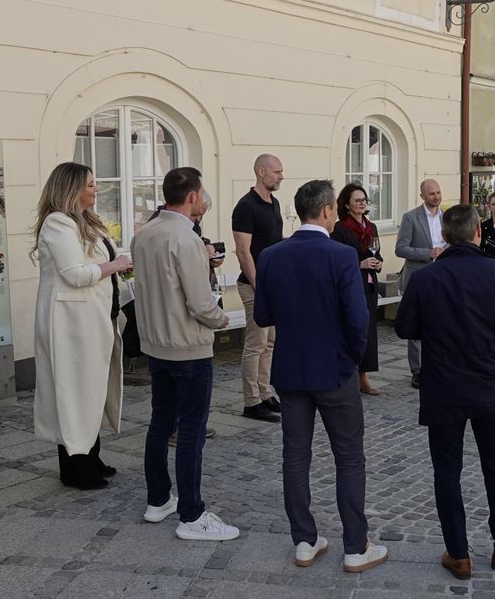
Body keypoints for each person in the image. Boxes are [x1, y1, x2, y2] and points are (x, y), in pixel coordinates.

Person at [254, 180, 388, 573]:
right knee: (348, 457)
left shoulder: (272, 256)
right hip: (334, 370)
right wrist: (350, 359)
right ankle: (355, 545)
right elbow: (358, 318)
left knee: (295, 456)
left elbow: (263, 316)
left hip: (292, 370)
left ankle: (304, 540)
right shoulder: (342, 255)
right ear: (329, 210)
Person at [394, 204, 495, 580]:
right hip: (491, 387)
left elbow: (404, 327)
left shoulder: (426, 280)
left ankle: (459, 553)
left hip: (444, 388)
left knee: (447, 472)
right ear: (476, 234)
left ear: (445, 238)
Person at [131, 167, 238, 540]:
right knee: (191, 430)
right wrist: (222, 319)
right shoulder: (186, 238)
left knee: (160, 423)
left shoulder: (144, 235)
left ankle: (158, 499)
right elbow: (199, 302)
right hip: (188, 348)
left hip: (155, 344)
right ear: (192, 196)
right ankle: (192, 515)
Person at [32, 162, 128, 491]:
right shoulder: (58, 223)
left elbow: (101, 265)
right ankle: (76, 467)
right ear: (71, 189)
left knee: (91, 389)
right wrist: (114, 265)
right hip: (70, 323)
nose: (95, 189)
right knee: (75, 391)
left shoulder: (85, 222)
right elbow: (74, 274)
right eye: (89, 184)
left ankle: (89, 455)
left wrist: (119, 267)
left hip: (94, 318)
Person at [232, 153, 284, 423]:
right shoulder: (246, 206)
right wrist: (258, 285)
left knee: (271, 342)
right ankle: (251, 401)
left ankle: (265, 393)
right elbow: (243, 252)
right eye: (277, 172)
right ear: (261, 172)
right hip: (254, 286)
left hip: (272, 286)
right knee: (256, 343)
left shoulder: (273, 203)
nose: (281, 176)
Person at [331, 183, 384, 396]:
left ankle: (363, 376)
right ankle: (347, 374)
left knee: (368, 331)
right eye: (357, 201)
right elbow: (337, 260)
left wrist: (378, 262)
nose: (362, 204)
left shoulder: (371, 227)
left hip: (369, 285)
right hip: (352, 285)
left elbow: (377, 253)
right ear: (347, 205)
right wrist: (360, 264)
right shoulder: (340, 229)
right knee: (351, 329)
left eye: (364, 200)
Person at [395, 179, 445, 388]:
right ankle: (417, 371)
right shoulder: (411, 217)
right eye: (432, 193)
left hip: (442, 277)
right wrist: (428, 253)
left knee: (440, 323)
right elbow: (400, 248)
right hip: (418, 275)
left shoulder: (447, 217)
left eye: (439, 192)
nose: (437, 197)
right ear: (423, 196)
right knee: (417, 325)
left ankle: (438, 365)